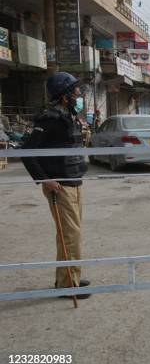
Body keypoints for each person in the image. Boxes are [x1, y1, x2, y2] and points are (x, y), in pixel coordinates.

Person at [21, 72, 91, 299]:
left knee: (71, 234)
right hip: (59, 185)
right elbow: (28, 153)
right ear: (64, 96)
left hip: (74, 182)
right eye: (75, 91)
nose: (79, 95)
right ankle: (68, 284)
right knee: (70, 235)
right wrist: (44, 179)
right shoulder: (49, 118)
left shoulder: (70, 116)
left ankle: (68, 278)